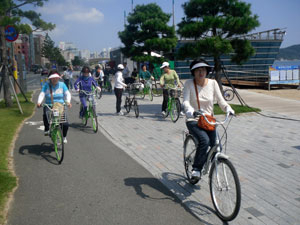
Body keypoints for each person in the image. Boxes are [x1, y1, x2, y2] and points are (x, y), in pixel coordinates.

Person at [183, 59, 235, 179]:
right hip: (194, 120)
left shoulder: (213, 83)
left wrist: (228, 108)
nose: (201, 72)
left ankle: (204, 161)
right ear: (193, 72)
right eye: (198, 70)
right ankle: (196, 168)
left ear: (207, 71)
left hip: (209, 121)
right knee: (204, 141)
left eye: (203, 70)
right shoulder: (189, 83)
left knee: (217, 147)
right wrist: (191, 111)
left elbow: (221, 100)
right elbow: (185, 101)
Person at [37, 70, 72, 144]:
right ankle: (47, 129)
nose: (54, 79)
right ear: (50, 78)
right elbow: (42, 94)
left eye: (56, 78)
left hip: (60, 106)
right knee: (46, 115)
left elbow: (67, 93)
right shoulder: (46, 85)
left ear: (58, 78)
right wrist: (39, 102)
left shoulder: (62, 85)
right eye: (53, 78)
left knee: (65, 123)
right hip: (49, 105)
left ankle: (64, 137)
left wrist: (68, 101)